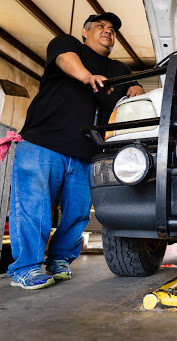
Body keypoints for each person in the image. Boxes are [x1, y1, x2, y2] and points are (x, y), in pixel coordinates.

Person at [8, 12, 144, 290]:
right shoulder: (67, 44)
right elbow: (64, 60)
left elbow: (134, 88)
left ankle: (60, 261)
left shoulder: (119, 68)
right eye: (100, 26)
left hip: (86, 152)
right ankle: (26, 268)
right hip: (41, 142)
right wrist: (87, 76)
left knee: (79, 213)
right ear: (85, 32)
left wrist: (136, 88)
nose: (107, 31)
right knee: (33, 208)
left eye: (112, 29)